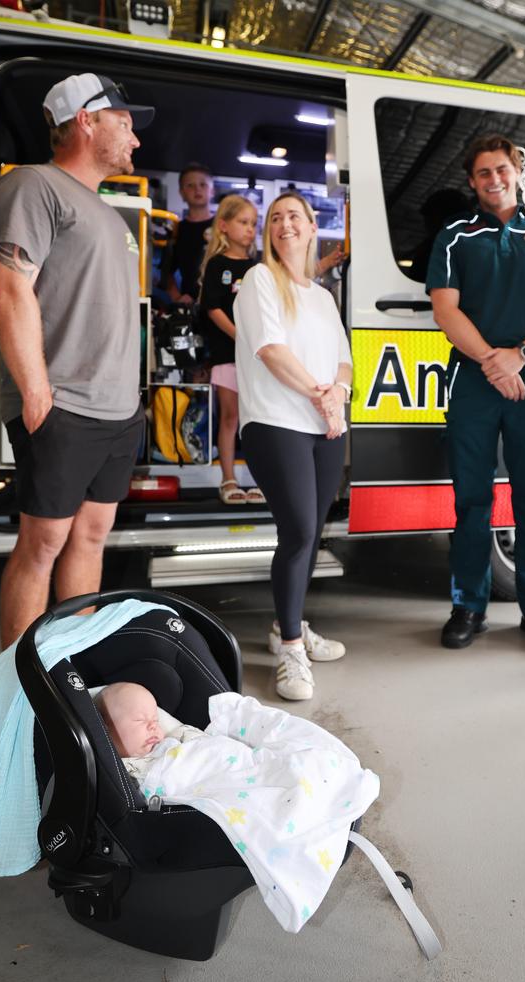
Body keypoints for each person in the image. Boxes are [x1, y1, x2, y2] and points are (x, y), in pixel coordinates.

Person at [0, 73, 155, 649]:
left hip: (115, 410)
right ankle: (16, 690)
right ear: (86, 119)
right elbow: (10, 288)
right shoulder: (36, 186)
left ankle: (67, 669)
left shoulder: (106, 211)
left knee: (91, 537)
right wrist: (36, 395)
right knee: (43, 543)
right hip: (65, 404)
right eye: (125, 122)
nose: (134, 137)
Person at [426, 133, 525, 654]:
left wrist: (520, 357)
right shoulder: (453, 237)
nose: (494, 179)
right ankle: (468, 605)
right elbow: (446, 310)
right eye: (484, 173)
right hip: (472, 382)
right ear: (472, 182)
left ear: (517, 173)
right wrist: (494, 363)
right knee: (472, 501)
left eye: (501, 169)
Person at [234, 192, 352, 701]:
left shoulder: (322, 296)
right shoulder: (260, 280)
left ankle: (293, 623)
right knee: (300, 529)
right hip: (275, 422)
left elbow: (344, 359)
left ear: (311, 229)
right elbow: (270, 350)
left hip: (322, 425)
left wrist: (338, 395)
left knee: (310, 531)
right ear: (269, 232)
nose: (285, 224)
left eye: (295, 217)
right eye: (276, 218)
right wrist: (320, 397)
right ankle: (289, 648)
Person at [199, 194, 264, 504]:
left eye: (254, 223)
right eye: (243, 222)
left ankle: (259, 479)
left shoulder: (258, 267)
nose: (250, 229)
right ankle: (228, 479)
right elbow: (212, 307)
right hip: (228, 353)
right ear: (223, 226)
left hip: (257, 358)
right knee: (229, 417)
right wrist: (240, 336)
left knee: (257, 418)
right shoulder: (217, 265)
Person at [95, 682, 202, 759]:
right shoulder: (112, 775)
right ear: (104, 728)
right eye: (140, 720)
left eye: (156, 720)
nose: (153, 726)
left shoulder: (174, 746)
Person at [166, 162, 214, 304]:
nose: (197, 189)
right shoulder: (176, 230)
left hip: (221, 302)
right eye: (190, 185)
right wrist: (178, 298)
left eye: (203, 184)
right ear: (182, 193)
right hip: (190, 304)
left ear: (212, 191)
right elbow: (167, 271)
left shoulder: (224, 227)